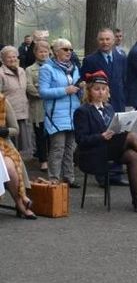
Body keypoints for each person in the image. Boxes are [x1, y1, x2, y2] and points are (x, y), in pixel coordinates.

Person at [74, 71, 137, 214]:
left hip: (108, 148)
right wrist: (101, 136)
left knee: (133, 155)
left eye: (103, 89)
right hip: (92, 153)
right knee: (132, 137)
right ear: (89, 91)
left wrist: (120, 128)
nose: (100, 92)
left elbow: (113, 129)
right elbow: (81, 140)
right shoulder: (82, 111)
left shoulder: (109, 108)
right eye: (96, 89)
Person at [80, 27, 129, 187]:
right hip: (98, 104)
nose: (105, 42)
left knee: (118, 135)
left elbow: (123, 78)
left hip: (118, 103)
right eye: (102, 39)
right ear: (97, 41)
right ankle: (102, 175)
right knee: (102, 136)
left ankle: (116, 173)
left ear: (114, 40)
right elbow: (86, 83)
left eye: (108, 39)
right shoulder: (90, 60)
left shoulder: (121, 58)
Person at [39, 38, 81, 188]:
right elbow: (43, 92)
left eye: (70, 49)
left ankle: (69, 177)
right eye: (65, 49)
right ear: (56, 52)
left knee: (71, 148)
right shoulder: (47, 68)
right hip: (56, 114)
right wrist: (65, 90)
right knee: (58, 148)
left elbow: (76, 90)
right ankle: (53, 179)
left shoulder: (75, 68)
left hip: (73, 113)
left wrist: (81, 88)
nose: (69, 52)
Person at [0, 93, 37, 219]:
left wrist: (4, 131)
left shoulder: (2, 100)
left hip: (2, 144)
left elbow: (15, 129)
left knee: (10, 167)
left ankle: (20, 202)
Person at [0, 46, 33, 158]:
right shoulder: (1, 74)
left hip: (22, 111)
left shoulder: (22, 71)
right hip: (8, 115)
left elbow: (27, 88)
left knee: (21, 145)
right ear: (3, 59)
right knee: (9, 145)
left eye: (14, 56)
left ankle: (19, 166)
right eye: (9, 57)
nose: (12, 59)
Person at [26, 40, 50, 172]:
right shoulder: (30, 70)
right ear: (35, 53)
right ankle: (43, 160)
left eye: (45, 51)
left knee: (52, 135)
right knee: (40, 134)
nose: (43, 54)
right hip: (38, 107)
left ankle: (52, 158)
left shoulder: (54, 67)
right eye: (40, 51)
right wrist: (45, 92)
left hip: (52, 106)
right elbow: (29, 87)